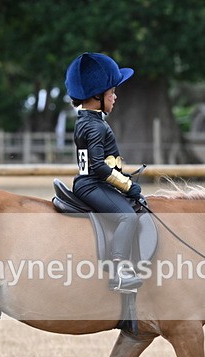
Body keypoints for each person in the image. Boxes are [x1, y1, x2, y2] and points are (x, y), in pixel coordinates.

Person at [64, 52, 143, 293]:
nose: (115, 97)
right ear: (97, 96)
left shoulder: (88, 121)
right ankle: (119, 273)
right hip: (92, 184)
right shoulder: (95, 126)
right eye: (112, 92)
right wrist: (127, 185)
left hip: (93, 182)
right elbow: (98, 166)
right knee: (128, 217)